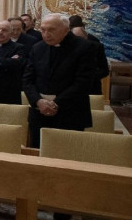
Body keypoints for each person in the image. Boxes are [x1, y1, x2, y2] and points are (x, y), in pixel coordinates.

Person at [23, 14, 95, 149]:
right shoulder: (37, 48)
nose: (46, 34)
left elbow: (83, 82)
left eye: (51, 30)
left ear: (66, 30)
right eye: (43, 30)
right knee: (38, 152)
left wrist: (56, 104)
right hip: (39, 113)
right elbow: (27, 79)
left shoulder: (85, 48)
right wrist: (38, 101)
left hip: (70, 112)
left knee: (67, 153)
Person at [69, 15, 110, 95]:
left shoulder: (96, 44)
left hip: (91, 88)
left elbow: (104, 70)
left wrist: (87, 76)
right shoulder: (66, 43)